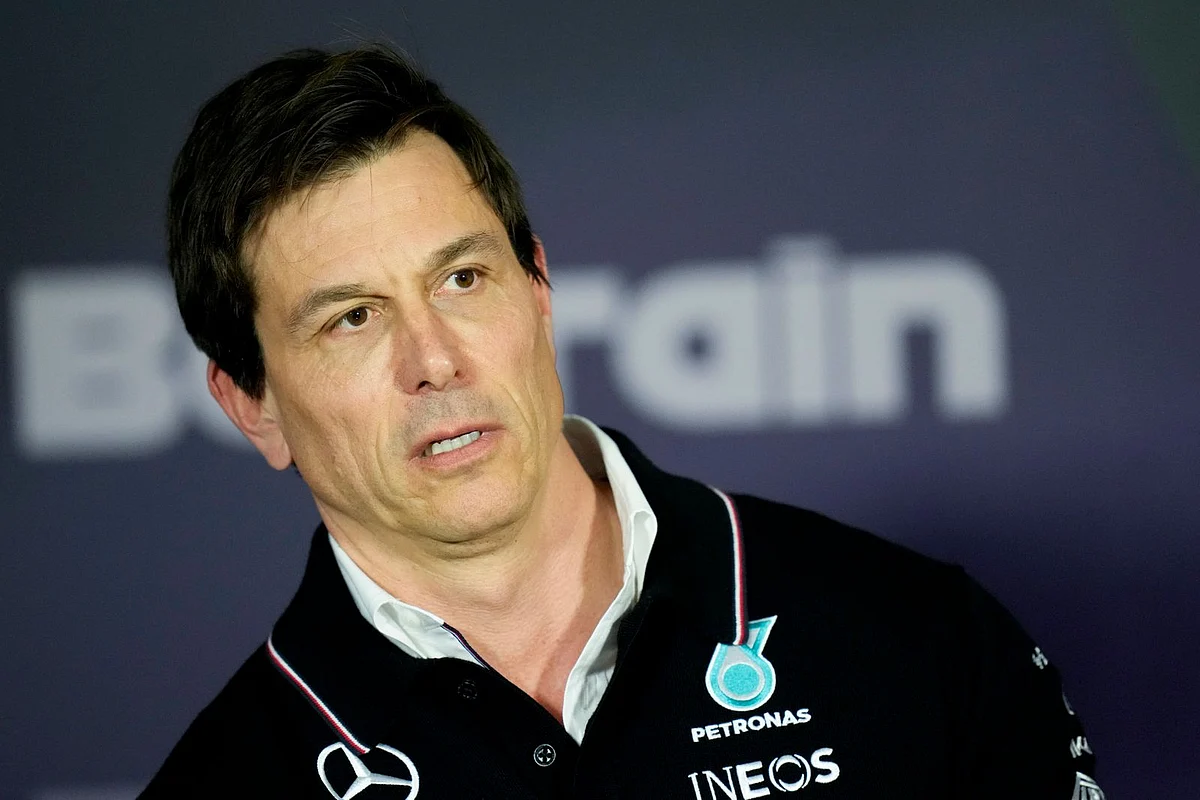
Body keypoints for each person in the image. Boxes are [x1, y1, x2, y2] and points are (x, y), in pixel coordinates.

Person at [142, 45, 1103, 799]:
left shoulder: (917, 641)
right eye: (352, 319)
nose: (434, 359)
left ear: (539, 288)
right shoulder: (226, 782)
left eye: (463, 278)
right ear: (254, 406)